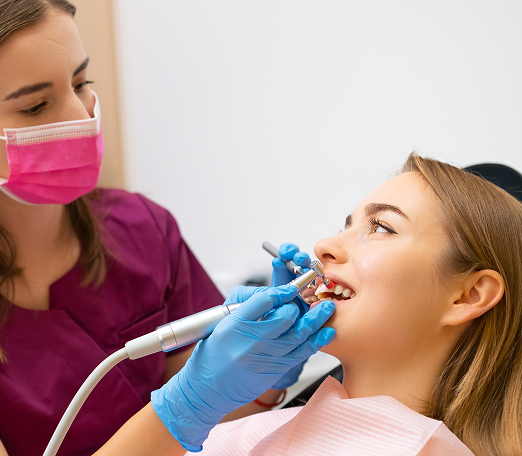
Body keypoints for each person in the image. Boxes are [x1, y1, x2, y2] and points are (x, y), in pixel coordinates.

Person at [0, 1, 309, 455]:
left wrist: (263, 371)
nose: (81, 114)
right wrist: (185, 404)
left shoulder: (141, 229)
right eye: (36, 105)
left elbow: (220, 417)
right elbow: (190, 407)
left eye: (82, 82)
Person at [89, 153, 522, 456]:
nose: (325, 246)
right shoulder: (266, 430)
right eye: (346, 224)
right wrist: (188, 405)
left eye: (382, 228)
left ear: (469, 295)